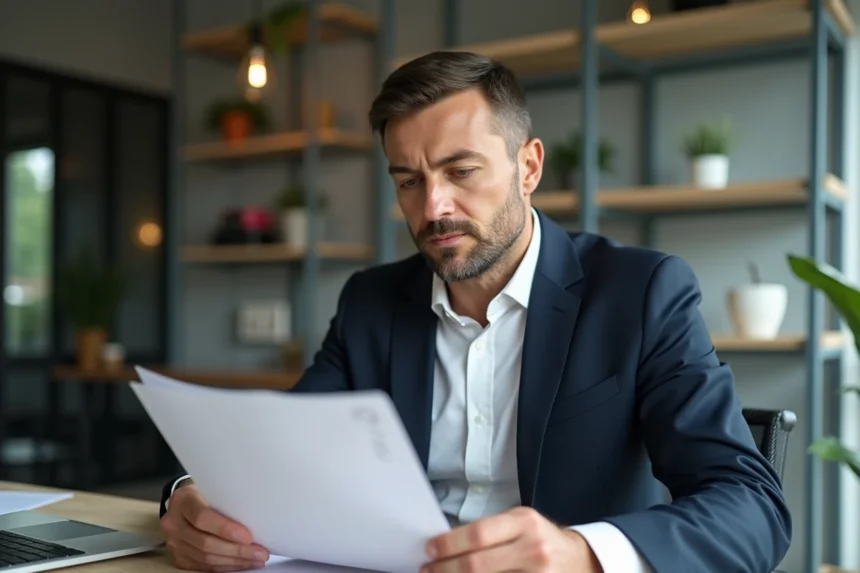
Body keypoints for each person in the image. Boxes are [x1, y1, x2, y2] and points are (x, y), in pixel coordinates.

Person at [158, 51, 791, 573]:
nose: (434, 206)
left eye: (461, 171)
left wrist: (583, 553)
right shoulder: (371, 303)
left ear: (529, 167)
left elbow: (753, 508)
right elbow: (277, 454)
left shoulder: (642, 292)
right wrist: (189, 497)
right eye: (409, 180)